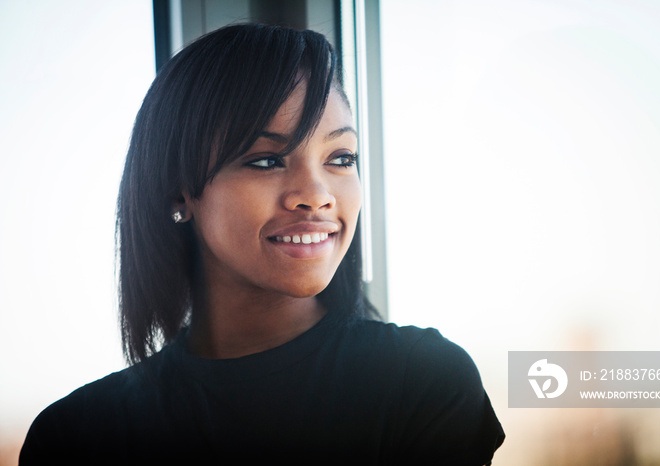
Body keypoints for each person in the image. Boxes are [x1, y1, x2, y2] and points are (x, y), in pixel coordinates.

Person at [19, 23, 504, 465]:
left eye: (340, 157)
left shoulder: (425, 382)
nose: (316, 196)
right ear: (178, 191)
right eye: (267, 161)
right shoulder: (75, 436)